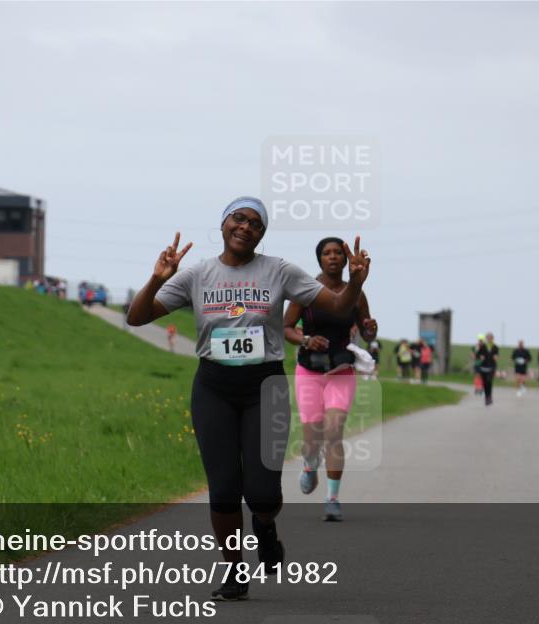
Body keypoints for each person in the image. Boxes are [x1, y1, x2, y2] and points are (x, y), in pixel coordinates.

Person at [125, 196, 371, 602]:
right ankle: (235, 571)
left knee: (262, 494)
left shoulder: (279, 271)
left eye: (256, 223)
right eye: (238, 218)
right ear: (223, 224)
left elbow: (338, 304)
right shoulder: (197, 274)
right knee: (222, 489)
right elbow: (137, 317)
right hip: (213, 387)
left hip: (265, 388)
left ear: (262, 234)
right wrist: (157, 278)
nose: (245, 227)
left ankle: (266, 526)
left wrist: (357, 283)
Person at [284, 237, 378, 522]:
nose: (334, 257)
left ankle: (332, 499)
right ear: (319, 259)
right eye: (327, 253)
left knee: (334, 431)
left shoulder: (356, 293)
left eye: (338, 252)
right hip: (310, 372)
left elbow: (367, 331)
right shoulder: (306, 291)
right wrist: (306, 339)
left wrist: (371, 330)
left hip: (340, 371)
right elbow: (286, 327)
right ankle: (311, 464)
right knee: (313, 437)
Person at [474, 332, 499, 406]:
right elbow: (477, 355)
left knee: (489, 381)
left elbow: (497, 355)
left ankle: (489, 396)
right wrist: (480, 357)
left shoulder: (495, 347)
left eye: (491, 338)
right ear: (486, 338)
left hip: (491, 367)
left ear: (492, 338)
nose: (489, 339)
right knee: (484, 383)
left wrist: (496, 357)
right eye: (488, 338)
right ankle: (486, 397)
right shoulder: (483, 346)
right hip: (483, 367)